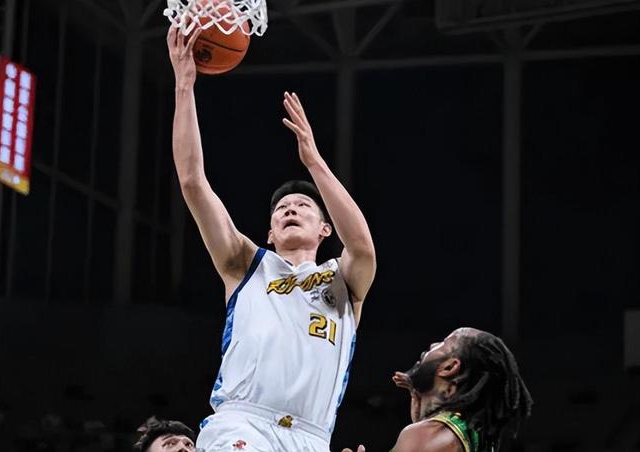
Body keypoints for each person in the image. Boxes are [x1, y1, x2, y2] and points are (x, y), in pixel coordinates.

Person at [166, 26, 376, 452]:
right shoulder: (245, 264)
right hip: (243, 421)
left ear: (325, 228)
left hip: (312, 437)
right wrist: (184, 86)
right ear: (270, 231)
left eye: (302, 205)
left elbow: (362, 245)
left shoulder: (345, 280)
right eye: (281, 209)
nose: (290, 209)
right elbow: (192, 182)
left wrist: (314, 161)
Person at [344, 328, 532, 452]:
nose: (433, 345)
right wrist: (420, 399)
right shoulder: (472, 438)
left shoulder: (430, 437)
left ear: (449, 367)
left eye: (444, 342)